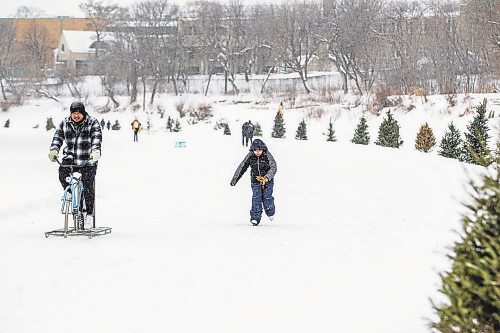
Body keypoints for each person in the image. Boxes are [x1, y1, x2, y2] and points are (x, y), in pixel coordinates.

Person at [48, 101, 102, 230]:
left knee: (88, 184)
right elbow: (58, 137)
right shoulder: (65, 123)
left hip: (88, 160)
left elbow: (96, 138)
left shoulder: (92, 122)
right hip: (70, 158)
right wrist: (54, 149)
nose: (76, 116)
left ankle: (88, 214)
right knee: (62, 174)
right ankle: (71, 193)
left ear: (83, 113)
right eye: (74, 113)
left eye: (78, 113)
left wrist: (95, 151)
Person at [230, 139, 277, 226]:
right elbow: (242, 167)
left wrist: (267, 177)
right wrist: (234, 180)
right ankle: (255, 218)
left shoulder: (267, 155)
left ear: (263, 149)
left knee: (267, 197)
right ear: (253, 150)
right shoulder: (250, 156)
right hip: (255, 181)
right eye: (256, 150)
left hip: (267, 181)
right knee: (256, 198)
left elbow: (273, 167)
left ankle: (270, 211)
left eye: (259, 150)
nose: (258, 152)